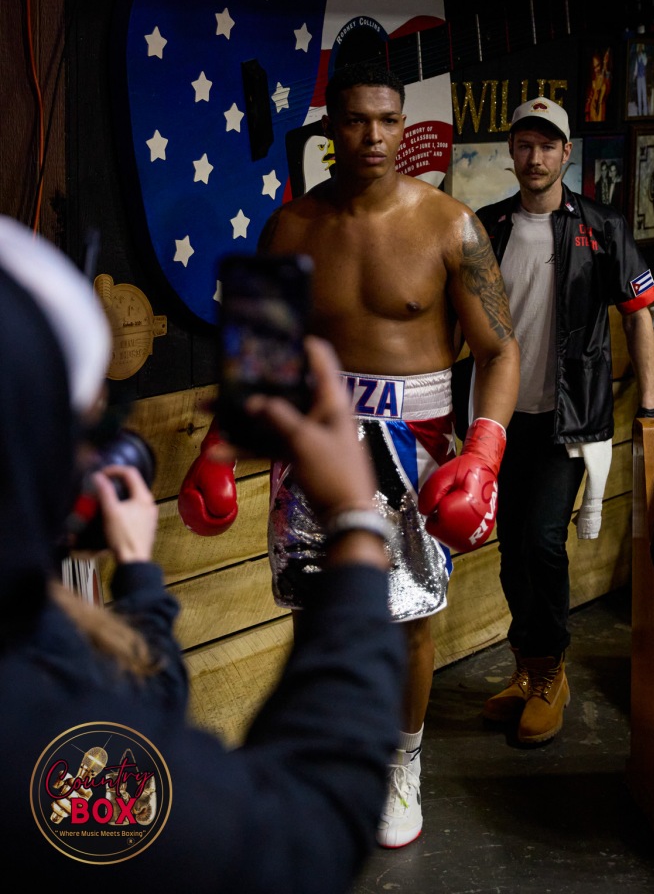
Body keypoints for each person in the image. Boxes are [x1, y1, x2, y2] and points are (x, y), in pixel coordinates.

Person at [0, 213, 407, 889]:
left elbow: (143, 714)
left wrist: (138, 578)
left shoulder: (38, 651)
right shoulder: (39, 746)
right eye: (87, 430)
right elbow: (306, 833)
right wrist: (356, 523)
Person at [182, 62, 519, 849]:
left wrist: (484, 453)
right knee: (317, 610)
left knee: (410, 620)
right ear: (330, 129)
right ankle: (324, 756)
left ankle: (403, 763)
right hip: (317, 439)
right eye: (358, 120)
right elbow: (264, 358)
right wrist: (217, 450)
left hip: (416, 445)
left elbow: (499, 352)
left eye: (388, 120)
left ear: (404, 125)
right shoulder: (289, 228)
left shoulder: (452, 226)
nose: (375, 135)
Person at [475, 98, 654, 746]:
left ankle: (552, 670)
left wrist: (650, 409)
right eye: (525, 145)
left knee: (543, 542)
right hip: (499, 417)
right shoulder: (486, 226)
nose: (535, 157)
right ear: (512, 151)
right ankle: (528, 668)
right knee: (509, 548)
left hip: (570, 417)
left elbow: (640, 315)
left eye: (547, 146)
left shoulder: (601, 226)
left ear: (565, 154)